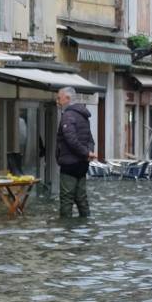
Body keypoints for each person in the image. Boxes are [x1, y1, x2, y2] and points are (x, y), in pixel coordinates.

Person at [54, 88, 95, 219]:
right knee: (81, 198)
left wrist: (86, 153)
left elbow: (71, 139)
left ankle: (66, 231)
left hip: (70, 163)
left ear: (67, 98)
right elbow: (90, 139)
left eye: (59, 98)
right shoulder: (83, 115)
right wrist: (88, 153)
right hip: (83, 164)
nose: (57, 101)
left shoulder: (68, 115)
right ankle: (86, 224)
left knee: (66, 199)